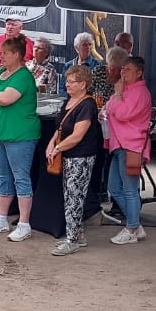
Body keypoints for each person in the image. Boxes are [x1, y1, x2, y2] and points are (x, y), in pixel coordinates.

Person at [0, 34, 40, 241]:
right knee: (5, 177)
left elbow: (5, 99)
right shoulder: (1, 74)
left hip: (20, 135)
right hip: (1, 135)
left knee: (21, 178)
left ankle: (24, 224)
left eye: (5, 53)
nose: (1, 56)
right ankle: (1, 218)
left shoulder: (23, 76)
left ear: (16, 54)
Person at [46, 64, 101, 256]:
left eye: (71, 81)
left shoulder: (87, 104)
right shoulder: (69, 101)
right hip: (68, 155)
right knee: (69, 195)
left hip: (81, 156)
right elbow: (61, 126)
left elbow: (78, 135)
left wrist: (57, 148)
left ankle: (73, 239)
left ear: (83, 84)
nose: (67, 85)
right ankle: (76, 233)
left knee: (75, 197)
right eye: (67, 81)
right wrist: (52, 143)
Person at [103, 53, 153, 246]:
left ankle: (132, 228)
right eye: (122, 69)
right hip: (119, 145)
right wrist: (116, 98)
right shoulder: (125, 89)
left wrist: (116, 96)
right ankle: (135, 224)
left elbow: (122, 113)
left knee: (130, 189)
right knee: (114, 188)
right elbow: (107, 109)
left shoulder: (140, 92)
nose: (123, 72)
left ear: (139, 73)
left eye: (128, 69)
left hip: (131, 145)